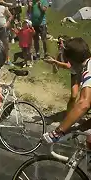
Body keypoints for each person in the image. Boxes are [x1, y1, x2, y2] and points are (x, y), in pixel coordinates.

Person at [42, 37, 91, 166]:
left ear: (71, 60)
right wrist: (79, 127)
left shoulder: (89, 69)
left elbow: (84, 103)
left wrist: (58, 132)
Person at [44, 35, 80, 113]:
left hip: (84, 72)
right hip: (75, 74)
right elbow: (55, 71)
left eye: (60, 43)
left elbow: (68, 66)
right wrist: (54, 63)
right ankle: (69, 114)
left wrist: (54, 62)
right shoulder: (60, 54)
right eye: (58, 43)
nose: (58, 45)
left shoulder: (70, 52)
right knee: (73, 96)